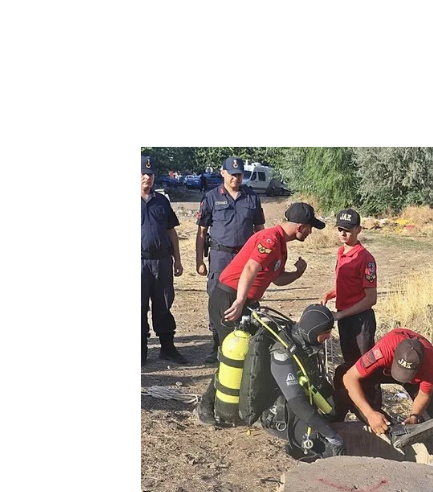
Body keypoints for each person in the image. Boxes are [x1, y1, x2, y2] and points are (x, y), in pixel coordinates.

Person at [196, 203, 324, 424]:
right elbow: (250, 268)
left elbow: (276, 278)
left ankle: (242, 403)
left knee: (252, 352)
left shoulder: (281, 244)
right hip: (229, 297)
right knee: (232, 353)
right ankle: (207, 405)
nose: (311, 232)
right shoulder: (270, 239)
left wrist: (297, 274)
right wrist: (239, 301)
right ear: (300, 227)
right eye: (310, 227)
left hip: (245, 300)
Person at [196, 156, 264, 363]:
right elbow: (201, 232)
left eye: (239, 174)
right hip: (220, 256)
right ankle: (217, 344)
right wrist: (199, 261)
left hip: (245, 257)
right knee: (217, 299)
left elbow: (260, 231)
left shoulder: (252, 197)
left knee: (248, 297)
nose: (236, 178)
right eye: (232, 174)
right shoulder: (210, 197)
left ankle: (247, 342)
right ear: (222, 172)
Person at [269, 305, 345, 459]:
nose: (329, 337)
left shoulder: (306, 343)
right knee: (323, 445)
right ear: (312, 332)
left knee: (341, 402)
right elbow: (297, 403)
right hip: (282, 411)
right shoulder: (282, 352)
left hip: (304, 397)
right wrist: (331, 436)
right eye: (326, 333)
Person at [333, 328, 433, 434]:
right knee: (342, 374)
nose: (402, 377)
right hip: (386, 367)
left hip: (419, 377)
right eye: (401, 370)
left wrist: (414, 416)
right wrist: (369, 413)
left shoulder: (432, 365)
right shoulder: (383, 350)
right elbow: (349, 377)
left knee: (429, 422)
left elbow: (424, 395)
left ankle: (416, 434)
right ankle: (383, 425)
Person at [139, 154, 186, 366]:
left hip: (162, 262)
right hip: (140, 263)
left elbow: (171, 232)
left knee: (164, 304)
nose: (147, 178)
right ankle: (141, 351)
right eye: (142, 174)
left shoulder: (162, 201)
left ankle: (168, 348)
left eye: (150, 174)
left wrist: (177, 260)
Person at [322, 209, 378, 371]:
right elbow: (348, 284)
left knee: (366, 368)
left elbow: (370, 298)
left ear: (358, 230)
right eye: (340, 229)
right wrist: (330, 294)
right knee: (349, 364)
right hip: (345, 318)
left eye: (348, 230)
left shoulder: (366, 259)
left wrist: (340, 315)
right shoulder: (341, 252)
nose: (343, 234)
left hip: (360, 320)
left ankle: (370, 397)